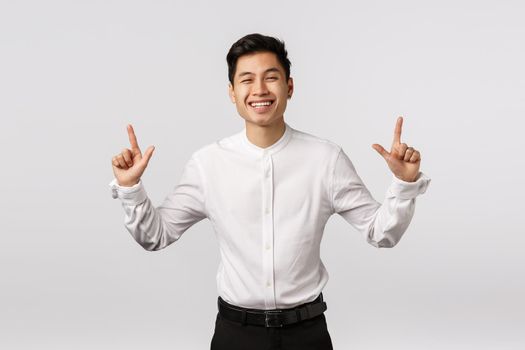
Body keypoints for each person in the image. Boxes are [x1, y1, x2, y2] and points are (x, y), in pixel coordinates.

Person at [108, 33, 431, 350]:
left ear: (289, 87)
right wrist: (130, 188)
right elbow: (156, 236)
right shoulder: (208, 164)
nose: (259, 90)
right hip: (236, 335)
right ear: (232, 92)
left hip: (307, 335)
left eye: (271, 77)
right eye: (247, 80)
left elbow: (381, 233)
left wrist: (403, 185)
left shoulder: (325, 159)